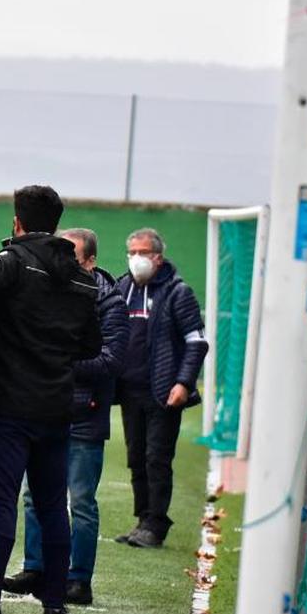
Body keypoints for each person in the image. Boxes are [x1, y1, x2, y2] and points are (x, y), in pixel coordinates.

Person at [0, 185, 101, 614]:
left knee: (0, 505)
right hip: (56, 407)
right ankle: (55, 607)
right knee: (51, 506)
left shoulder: (12, 262)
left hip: (8, 405)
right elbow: (91, 344)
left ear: (17, 221)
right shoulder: (83, 279)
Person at [3, 227, 128, 606]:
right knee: (32, 495)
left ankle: (78, 579)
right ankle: (35, 567)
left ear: (90, 261)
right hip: (46, 407)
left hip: (84, 413)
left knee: (82, 501)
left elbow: (112, 360)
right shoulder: (53, 290)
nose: (62, 261)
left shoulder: (109, 301)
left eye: (71, 255)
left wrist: (58, 365)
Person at [114, 227, 207, 548]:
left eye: (143, 253)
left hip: (163, 392)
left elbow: (197, 342)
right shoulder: (122, 287)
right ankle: (142, 520)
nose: (136, 259)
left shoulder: (178, 292)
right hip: (129, 391)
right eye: (132, 253)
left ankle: (156, 524)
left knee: (157, 458)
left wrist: (184, 382)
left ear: (158, 257)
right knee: (136, 457)